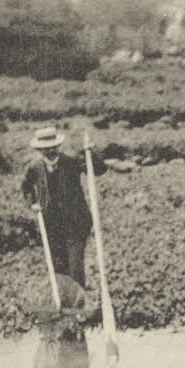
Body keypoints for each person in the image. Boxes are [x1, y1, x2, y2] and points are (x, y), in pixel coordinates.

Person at [20, 125, 107, 293]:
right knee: (58, 267)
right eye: (45, 148)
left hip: (75, 222)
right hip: (51, 224)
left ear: (58, 146)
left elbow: (99, 170)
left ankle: (80, 303)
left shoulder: (71, 162)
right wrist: (32, 203)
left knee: (75, 267)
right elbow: (26, 187)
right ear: (40, 149)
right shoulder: (35, 167)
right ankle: (64, 302)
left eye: (52, 147)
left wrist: (92, 152)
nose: (50, 151)